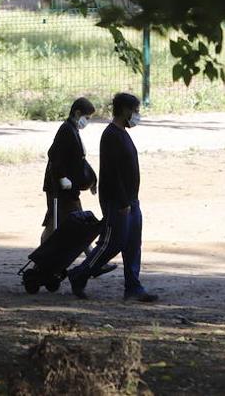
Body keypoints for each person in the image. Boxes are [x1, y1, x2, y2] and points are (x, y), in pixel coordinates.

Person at [67, 92, 159, 302]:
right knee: (112, 243)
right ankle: (79, 274)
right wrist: (123, 201)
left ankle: (133, 287)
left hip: (131, 200)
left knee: (133, 244)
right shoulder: (111, 136)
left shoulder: (122, 134)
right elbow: (112, 171)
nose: (136, 116)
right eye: (135, 111)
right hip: (118, 202)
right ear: (125, 111)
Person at [41, 97, 99, 245]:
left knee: (65, 223)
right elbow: (54, 155)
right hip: (60, 189)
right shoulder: (67, 130)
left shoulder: (72, 130)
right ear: (77, 113)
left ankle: (41, 261)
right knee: (69, 223)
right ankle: (40, 262)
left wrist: (93, 180)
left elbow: (80, 160)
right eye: (86, 117)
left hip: (68, 189)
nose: (87, 121)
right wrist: (62, 177)